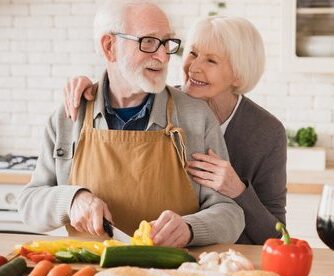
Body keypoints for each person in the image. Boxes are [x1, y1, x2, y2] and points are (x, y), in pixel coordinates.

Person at [18, 0, 245, 248]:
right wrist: (71, 200)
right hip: (90, 274)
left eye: (166, 42)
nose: (163, 56)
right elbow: (29, 205)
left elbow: (230, 213)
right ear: (109, 47)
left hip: (172, 274)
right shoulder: (68, 118)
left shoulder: (196, 116)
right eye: (148, 42)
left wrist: (191, 228)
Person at [64, 16, 287, 245]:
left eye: (211, 61)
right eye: (192, 53)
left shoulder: (268, 133)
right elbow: (122, 84)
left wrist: (238, 190)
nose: (194, 67)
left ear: (238, 74)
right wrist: (91, 89)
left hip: (235, 257)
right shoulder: (162, 104)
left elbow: (276, 236)